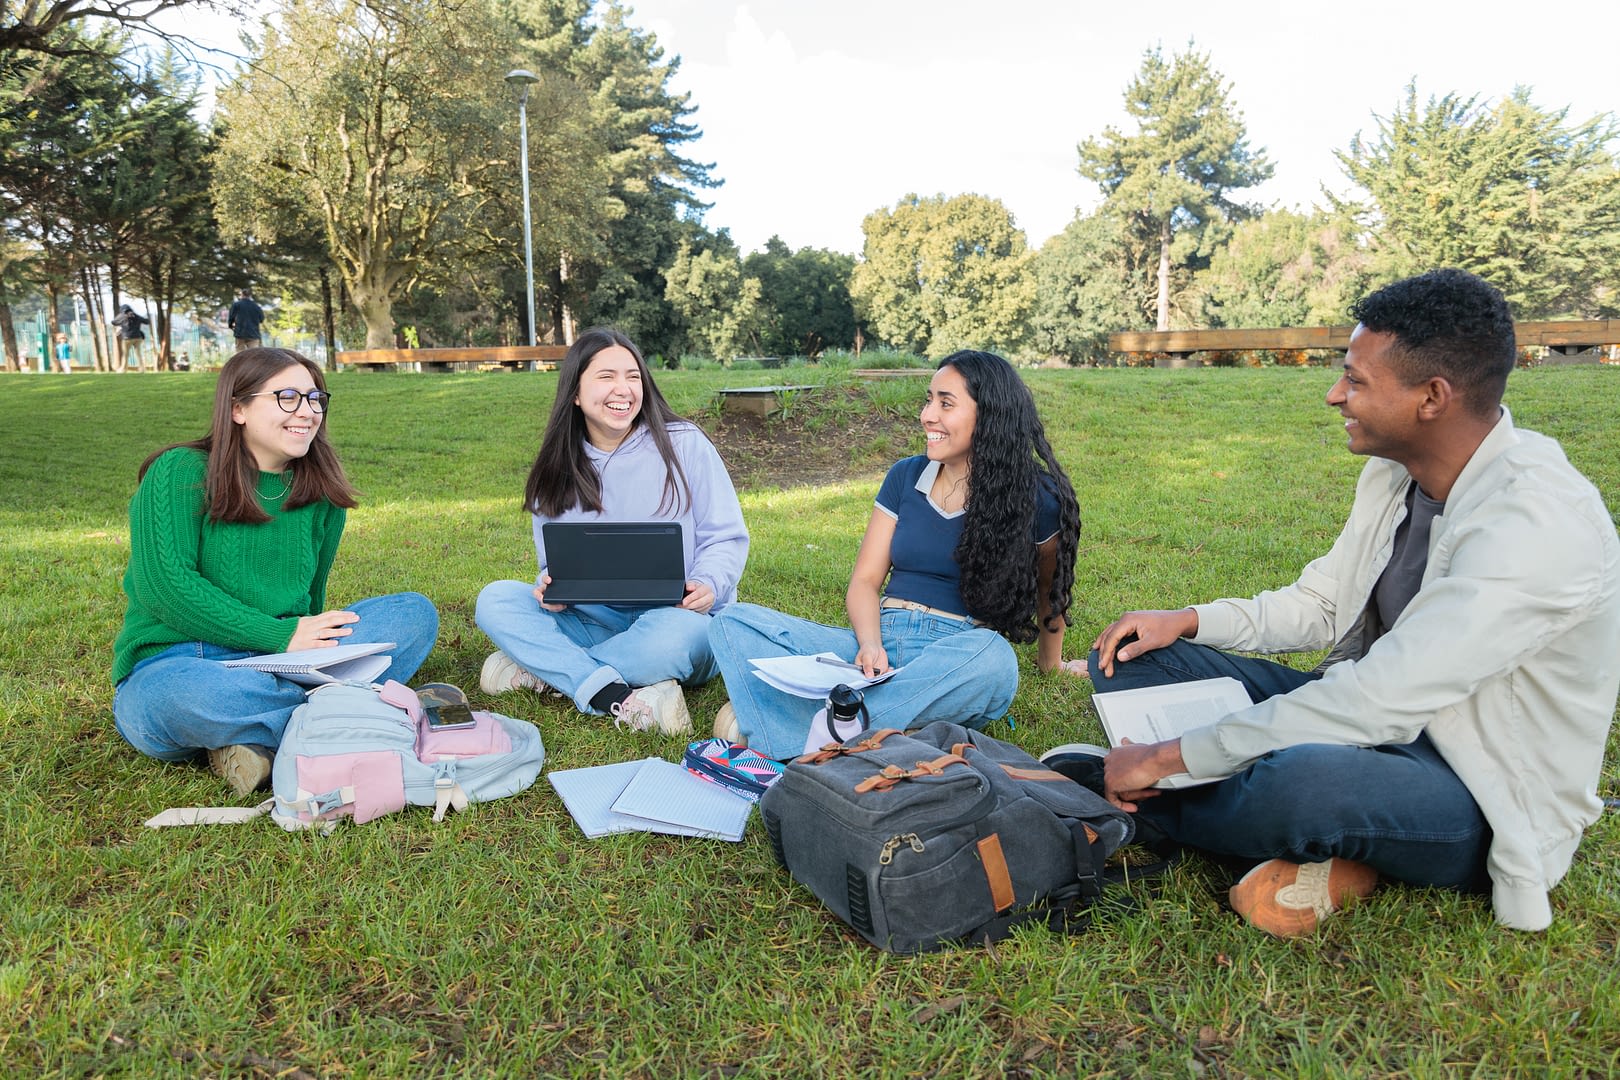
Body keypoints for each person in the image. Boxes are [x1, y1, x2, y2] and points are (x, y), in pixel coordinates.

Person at [1045, 268, 1620, 937]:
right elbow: (1321, 604)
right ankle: (1317, 853)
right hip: (1365, 720)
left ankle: (1108, 794)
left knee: (1303, 784)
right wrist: (1192, 621)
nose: (1333, 395)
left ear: (1431, 397)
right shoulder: (1397, 471)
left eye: (1356, 380)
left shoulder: (1537, 522)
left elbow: (1376, 698)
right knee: (1135, 658)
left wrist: (1167, 757)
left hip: (1474, 789)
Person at [708, 349, 1084, 761]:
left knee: (995, 662)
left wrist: (1052, 663)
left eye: (945, 403)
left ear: (990, 414)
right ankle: (891, 722)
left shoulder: (1036, 497)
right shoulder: (905, 475)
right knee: (731, 623)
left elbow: (1052, 589)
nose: (927, 415)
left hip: (957, 651)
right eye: (929, 400)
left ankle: (807, 728)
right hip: (875, 646)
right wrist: (869, 644)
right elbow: (865, 582)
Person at [111, 347, 440, 795]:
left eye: (315, 399)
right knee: (175, 698)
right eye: (288, 397)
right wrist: (277, 635)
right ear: (238, 408)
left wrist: (306, 650)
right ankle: (361, 713)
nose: (306, 412)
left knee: (412, 612)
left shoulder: (319, 492)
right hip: (182, 662)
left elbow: (311, 600)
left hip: (284, 663)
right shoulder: (180, 470)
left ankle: (264, 735)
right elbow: (165, 587)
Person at [475, 327, 748, 735]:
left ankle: (549, 670)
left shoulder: (686, 444)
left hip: (676, 621)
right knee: (495, 600)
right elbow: (554, 563)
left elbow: (725, 536)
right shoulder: (555, 469)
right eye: (606, 377)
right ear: (576, 393)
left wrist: (709, 582)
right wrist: (550, 588)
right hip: (590, 619)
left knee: (671, 640)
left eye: (633, 376)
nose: (623, 389)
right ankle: (609, 692)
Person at [111, 304, 150, 372]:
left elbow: (114, 322)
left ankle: (123, 369)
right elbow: (146, 321)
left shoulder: (123, 315)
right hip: (138, 337)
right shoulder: (136, 315)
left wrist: (121, 319)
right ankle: (142, 369)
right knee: (138, 354)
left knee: (125, 354)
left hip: (127, 338)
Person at [228, 288, 265, 353]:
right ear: (250, 296)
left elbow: (231, 318)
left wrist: (231, 326)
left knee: (240, 354)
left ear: (242, 295)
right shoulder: (256, 306)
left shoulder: (237, 305)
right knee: (254, 354)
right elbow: (261, 319)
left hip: (240, 333)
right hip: (254, 334)